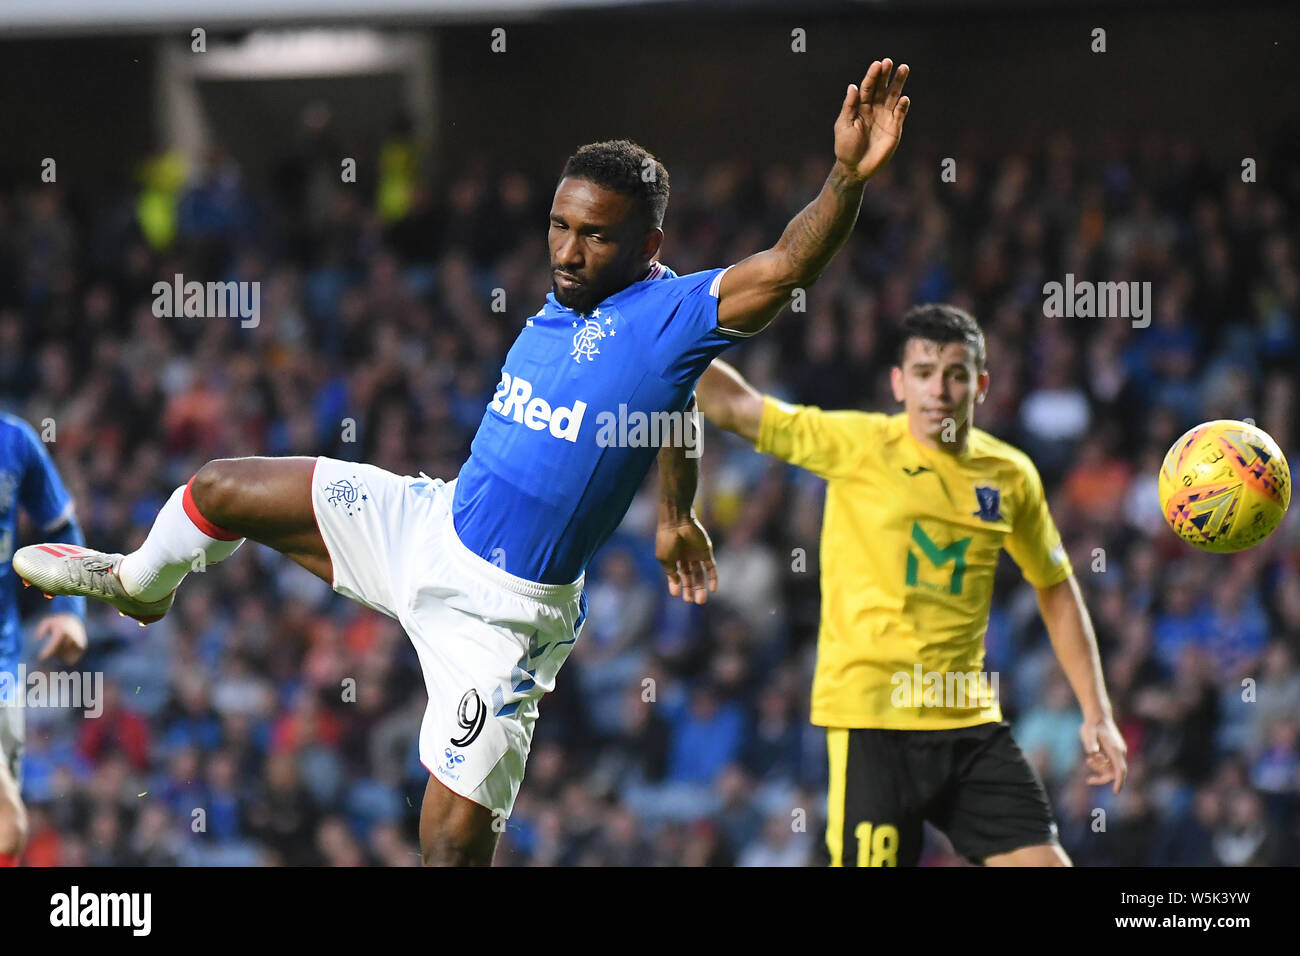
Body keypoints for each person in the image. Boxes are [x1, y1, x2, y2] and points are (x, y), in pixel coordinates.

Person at [17, 60, 912, 865]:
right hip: (427, 526)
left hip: (503, 618)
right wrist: (676, 511)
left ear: (648, 248)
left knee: (445, 846)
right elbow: (673, 401)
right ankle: (140, 583)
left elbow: (790, 264)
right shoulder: (570, 310)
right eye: (560, 226)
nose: (567, 249)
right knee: (219, 488)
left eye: (595, 235)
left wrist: (844, 175)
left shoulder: (673, 313)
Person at [694, 304, 1128, 866]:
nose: (939, 390)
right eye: (923, 373)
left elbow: (1056, 588)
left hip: (966, 721)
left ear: (981, 386)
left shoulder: (1011, 474)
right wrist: (655, 334)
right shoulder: (855, 444)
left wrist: (1097, 712)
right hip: (873, 721)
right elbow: (737, 405)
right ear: (899, 383)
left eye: (955, 374)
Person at [0, 413, 89, 866]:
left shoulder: (15, 442)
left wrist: (70, 610)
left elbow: (61, 530)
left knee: (7, 832)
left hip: (3, 665)